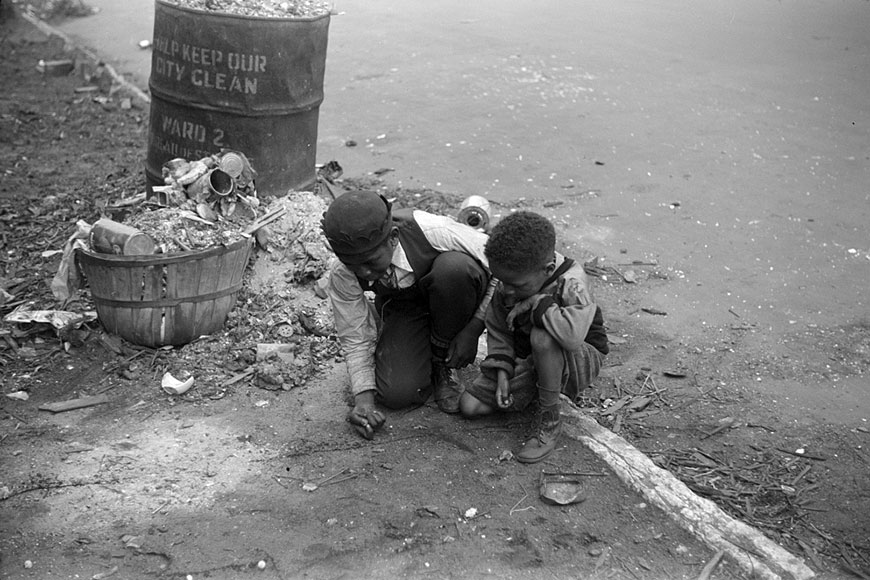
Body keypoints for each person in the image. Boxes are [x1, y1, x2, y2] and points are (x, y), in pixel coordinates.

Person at [321, 190, 495, 440]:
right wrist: (364, 401)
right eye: (353, 265)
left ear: (392, 238)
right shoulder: (344, 271)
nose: (364, 273)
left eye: (370, 262)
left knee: (455, 269)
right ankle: (418, 347)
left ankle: (442, 362)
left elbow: (501, 264)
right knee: (397, 394)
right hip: (407, 309)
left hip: (455, 297)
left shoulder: (433, 230)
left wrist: (475, 327)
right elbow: (355, 336)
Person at [459, 211, 609, 463]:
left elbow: (571, 338)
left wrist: (539, 302)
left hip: (578, 358)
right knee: (470, 406)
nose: (506, 290)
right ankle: (540, 387)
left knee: (544, 337)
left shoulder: (572, 283)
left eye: (515, 285)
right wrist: (503, 371)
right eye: (501, 281)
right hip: (529, 357)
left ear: (547, 269)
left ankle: (549, 420)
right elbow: (498, 328)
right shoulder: (512, 278)